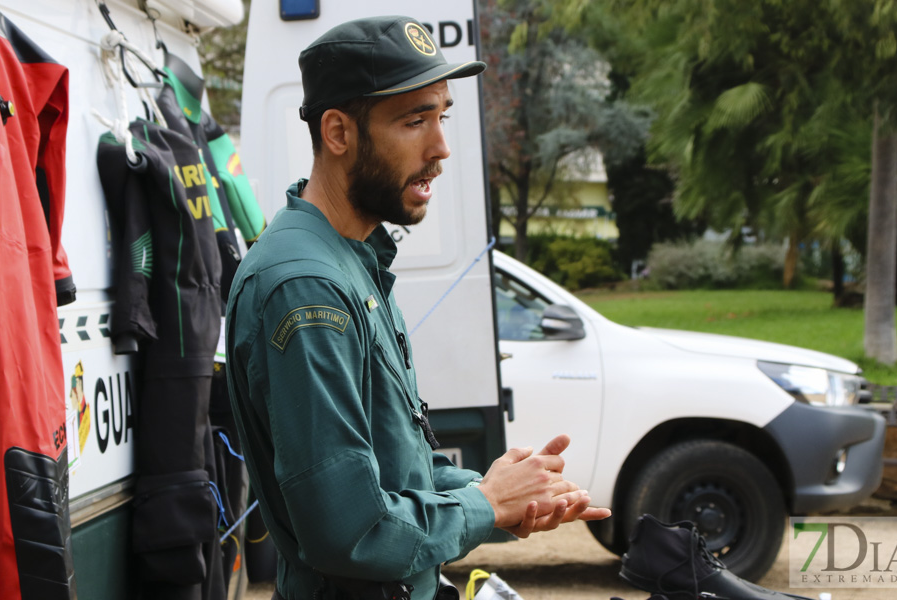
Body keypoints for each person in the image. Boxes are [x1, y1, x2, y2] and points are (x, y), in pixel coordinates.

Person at [225, 16, 610, 600]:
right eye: (414, 121)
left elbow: (399, 472)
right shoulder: (306, 288)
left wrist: (504, 494)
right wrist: (484, 504)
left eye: (442, 116)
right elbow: (353, 532)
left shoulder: (353, 260)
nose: (441, 148)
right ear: (337, 132)